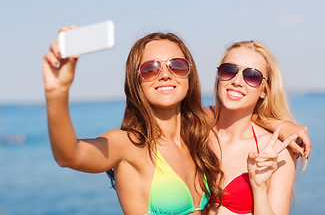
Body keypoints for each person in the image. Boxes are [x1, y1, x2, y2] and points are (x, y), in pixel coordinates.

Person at [42, 30, 223, 214]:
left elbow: (249, 111)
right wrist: (57, 91)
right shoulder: (129, 145)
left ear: (189, 75)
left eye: (176, 65)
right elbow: (70, 155)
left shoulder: (202, 124)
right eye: (151, 69)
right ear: (136, 81)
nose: (165, 74)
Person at [209, 41, 303, 214]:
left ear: (264, 91)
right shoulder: (192, 132)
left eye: (252, 76)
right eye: (229, 70)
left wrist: (259, 188)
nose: (237, 81)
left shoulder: (278, 150)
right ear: (219, 76)